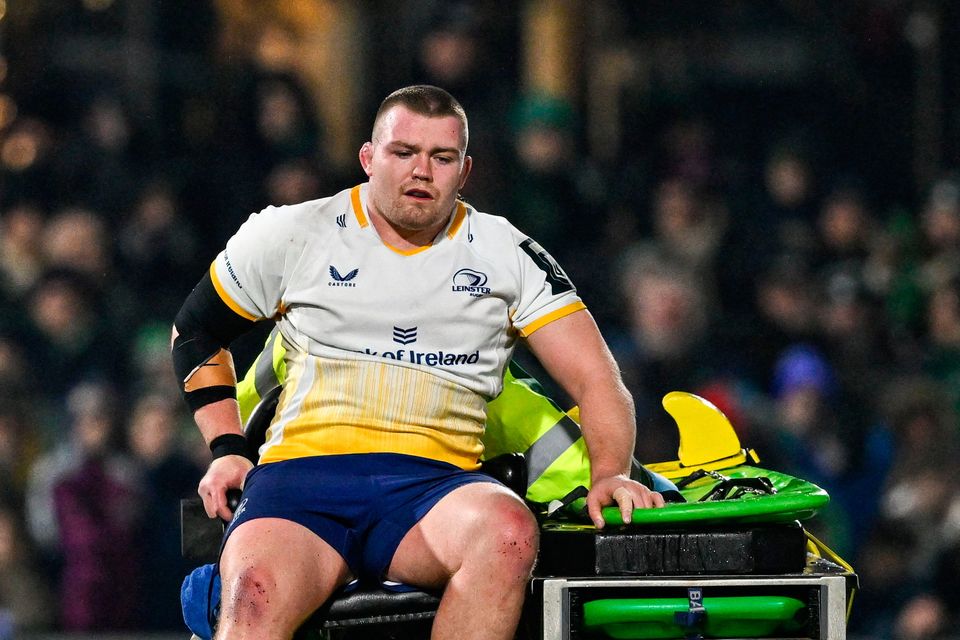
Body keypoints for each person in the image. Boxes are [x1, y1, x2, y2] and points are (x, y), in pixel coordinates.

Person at [171, 84, 663, 640]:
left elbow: (599, 381)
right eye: (403, 153)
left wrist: (611, 475)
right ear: (368, 157)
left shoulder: (506, 252)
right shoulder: (292, 232)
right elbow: (195, 331)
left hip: (434, 487)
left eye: (442, 157)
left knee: (507, 532)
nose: (421, 171)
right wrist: (228, 449)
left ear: (465, 169)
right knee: (252, 595)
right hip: (301, 481)